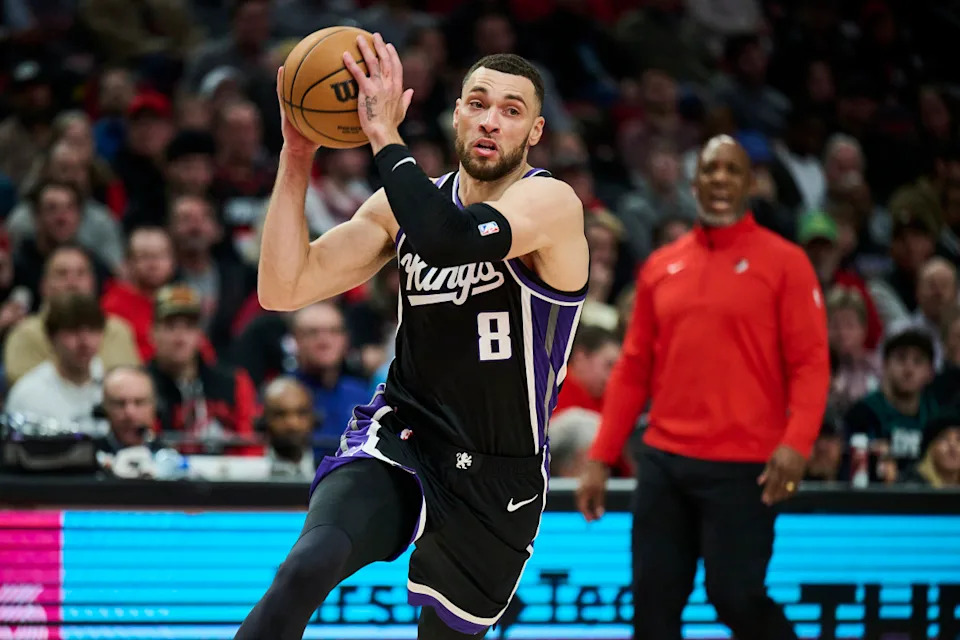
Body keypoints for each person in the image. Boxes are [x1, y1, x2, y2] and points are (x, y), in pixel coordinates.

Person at [234, 41, 588, 640]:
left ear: (534, 131)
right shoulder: (402, 205)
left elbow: (449, 239)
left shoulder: (550, 202)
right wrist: (298, 154)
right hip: (403, 433)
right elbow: (283, 286)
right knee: (305, 568)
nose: (490, 120)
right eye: (477, 103)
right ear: (455, 114)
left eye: (510, 110)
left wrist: (382, 136)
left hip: (499, 470)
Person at [576, 135, 830, 640]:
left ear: (748, 184)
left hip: (746, 468)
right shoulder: (660, 267)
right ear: (694, 185)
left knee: (735, 597)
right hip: (665, 464)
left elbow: (811, 364)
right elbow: (631, 369)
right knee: (652, 609)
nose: (720, 180)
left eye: (731, 171)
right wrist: (601, 457)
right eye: (710, 171)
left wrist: (796, 444)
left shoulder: (786, 264)